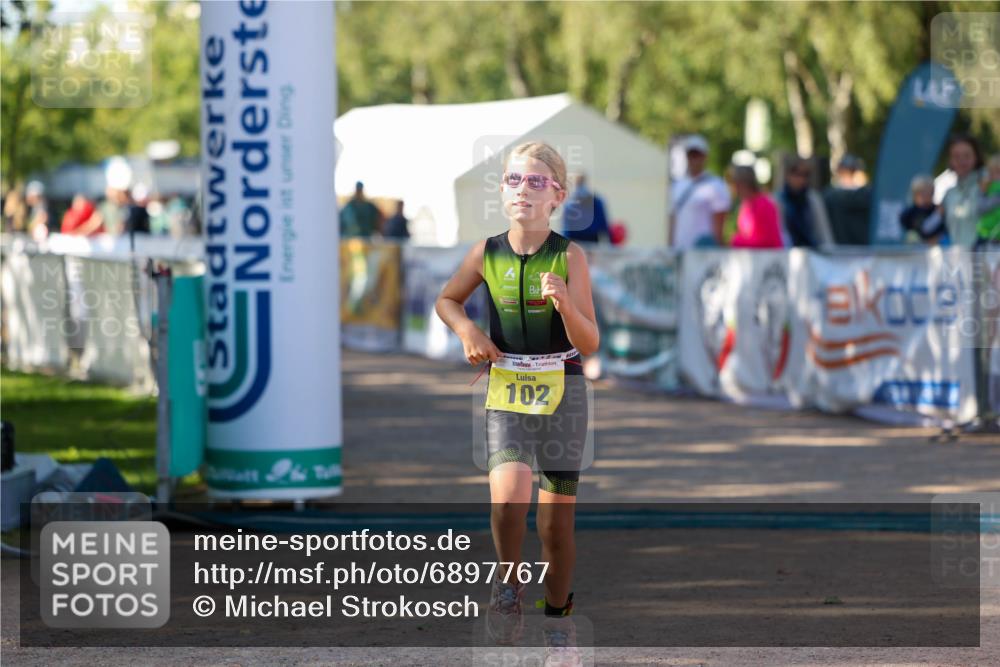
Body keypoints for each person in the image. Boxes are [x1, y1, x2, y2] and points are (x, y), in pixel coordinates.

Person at [435, 141, 598, 663]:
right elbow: (447, 299)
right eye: (512, 180)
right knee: (506, 502)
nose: (522, 190)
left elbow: (590, 341)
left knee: (554, 526)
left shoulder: (570, 256)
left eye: (534, 182)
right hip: (506, 390)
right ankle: (507, 587)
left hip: (563, 394)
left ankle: (559, 623)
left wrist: (567, 305)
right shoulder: (486, 253)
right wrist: (467, 332)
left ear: (557, 196)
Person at [669, 134, 731, 248]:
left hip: (704, 251)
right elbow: (672, 219)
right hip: (680, 250)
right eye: (691, 155)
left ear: (704, 156)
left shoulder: (716, 186)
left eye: (697, 155)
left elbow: (720, 223)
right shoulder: (677, 185)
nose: (694, 159)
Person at [777, 157, 834, 248]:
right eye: (797, 174)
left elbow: (823, 232)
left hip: (813, 253)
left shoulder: (813, 199)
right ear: (788, 175)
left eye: (805, 175)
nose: (801, 180)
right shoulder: (778, 200)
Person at [941, 135, 985, 248]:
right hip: (956, 259)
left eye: (967, 155)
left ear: (976, 157)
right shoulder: (948, 194)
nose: (962, 160)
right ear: (950, 160)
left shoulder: (989, 187)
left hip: (987, 259)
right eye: (956, 156)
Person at [726, 165, 783, 248]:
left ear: (741, 183)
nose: (731, 188)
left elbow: (768, 241)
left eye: (733, 183)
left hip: (770, 259)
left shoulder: (764, 204)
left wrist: (737, 240)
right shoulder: (745, 205)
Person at [822, 154, 871, 245]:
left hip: (862, 246)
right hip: (840, 246)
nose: (847, 174)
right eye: (844, 170)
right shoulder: (830, 195)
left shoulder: (865, 194)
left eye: (850, 171)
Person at [562, 173, 610, 244]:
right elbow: (567, 229)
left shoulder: (596, 202)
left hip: (591, 241)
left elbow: (604, 225)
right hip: (577, 242)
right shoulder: (570, 204)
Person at [899, 175, 946, 245]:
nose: (926, 196)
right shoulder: (909, 213)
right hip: (916, 251)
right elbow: (923, 230)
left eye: (929, 193)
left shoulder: (937, 209)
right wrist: (937, 215)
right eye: (922, 193)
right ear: (914, 194)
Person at [976, 154, 1000, 248]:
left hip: (991, 233)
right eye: (991, 173)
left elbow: (982, 207)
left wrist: (982, 192)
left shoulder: (995, 189)